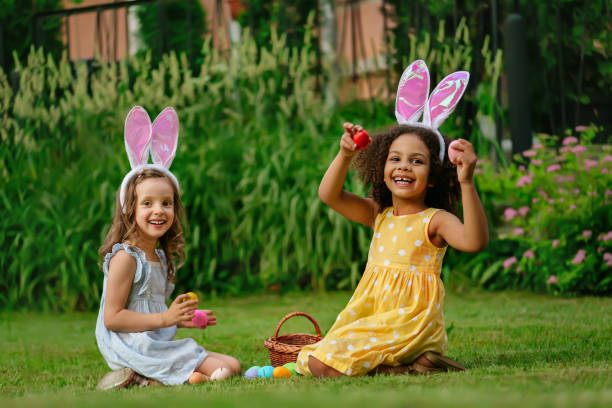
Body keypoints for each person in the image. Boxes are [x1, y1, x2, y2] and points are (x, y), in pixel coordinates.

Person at [295, 60, 488, 377]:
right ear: (381, 167)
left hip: (410, 323)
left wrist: (467, 181)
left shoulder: (434, 220)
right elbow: (329, 195)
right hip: (373, 319)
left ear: (435, 176)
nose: (403, 167)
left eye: (417, 161)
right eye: (395, 159)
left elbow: (475, 242)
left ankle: (406, 364)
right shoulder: (378, 214)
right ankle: (416, 365)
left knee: (321, 364)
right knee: (315, 359)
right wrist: (345, 155)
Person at [95, 106, 241, 390]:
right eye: (147, 203)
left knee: (230, 366)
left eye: (166, 202)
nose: (158, 211)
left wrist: (180, 320)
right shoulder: (126, 258)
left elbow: (152, 311)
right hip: (131, 346)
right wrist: (165, 318)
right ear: (130, 209)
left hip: (151, 342)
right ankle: (139, 374)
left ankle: (146, 379)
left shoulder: (159, 257)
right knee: (226, 367)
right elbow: (112, 318)